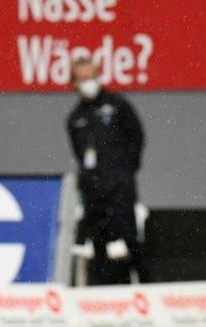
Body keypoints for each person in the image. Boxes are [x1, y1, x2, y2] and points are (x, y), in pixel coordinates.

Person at [67, 57, 150, 285]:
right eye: (83, 78)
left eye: (92, 77)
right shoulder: (75, 118)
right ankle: (105, 294)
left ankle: (149, 289)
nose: (89, 82)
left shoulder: (118, 105)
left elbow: (137, 137)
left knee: (131, 237)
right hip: (93, 189)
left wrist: (126, 172)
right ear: (73, 82)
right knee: (98, 241)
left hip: (120, 185)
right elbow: (79, 153)